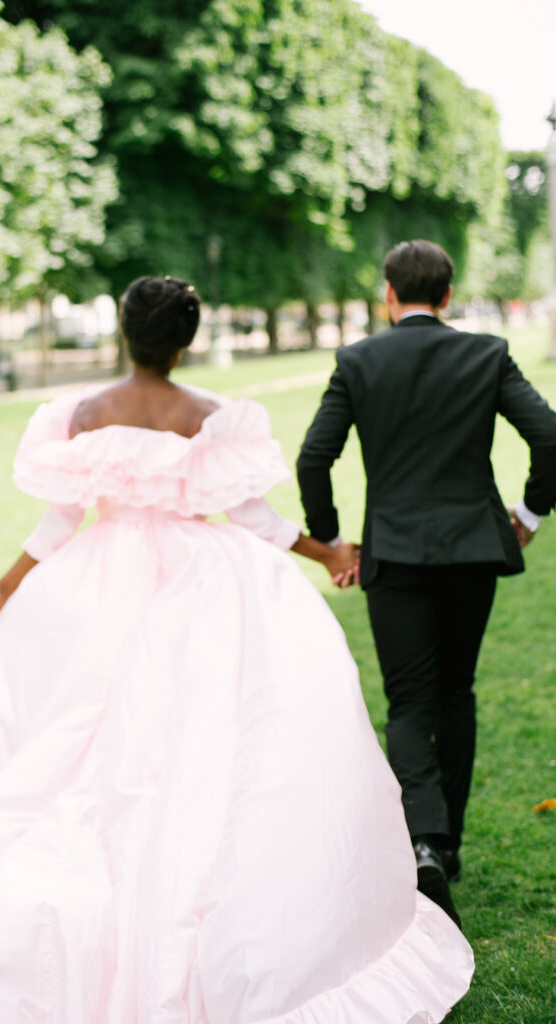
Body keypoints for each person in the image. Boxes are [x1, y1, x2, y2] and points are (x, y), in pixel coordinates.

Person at [0, 275, 474, 1023]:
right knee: (201, 735)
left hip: (99, 582)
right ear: (185, 340)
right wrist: (327, 551)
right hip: (202, 588)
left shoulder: (79, 414)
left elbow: (56, 524)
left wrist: (3, 590)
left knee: (88, 736)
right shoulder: (212, 418)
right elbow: (254, 518)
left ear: (124, 333)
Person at [297, 240, 556, 928]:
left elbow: (313, 457)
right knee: (454, 691)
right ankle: (447, 844)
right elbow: (550, 435)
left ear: (389, 293)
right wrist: (528, 513)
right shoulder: (485, 354)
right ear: (446, 296)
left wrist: (328, 541)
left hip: (396, 555)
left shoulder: (356, 360)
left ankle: (421, 843)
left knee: (409, 700)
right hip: (472, 548)